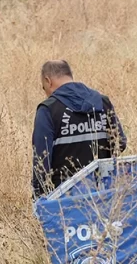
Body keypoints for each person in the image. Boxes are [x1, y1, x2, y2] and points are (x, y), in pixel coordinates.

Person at [30, 60, 127, 198]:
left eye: (43, 87)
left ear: (48, 81)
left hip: (64, 196)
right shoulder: (103, 102)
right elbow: (120, 143)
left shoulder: (48, 109)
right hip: (104, 191)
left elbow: (41, 158)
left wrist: (39, 196)